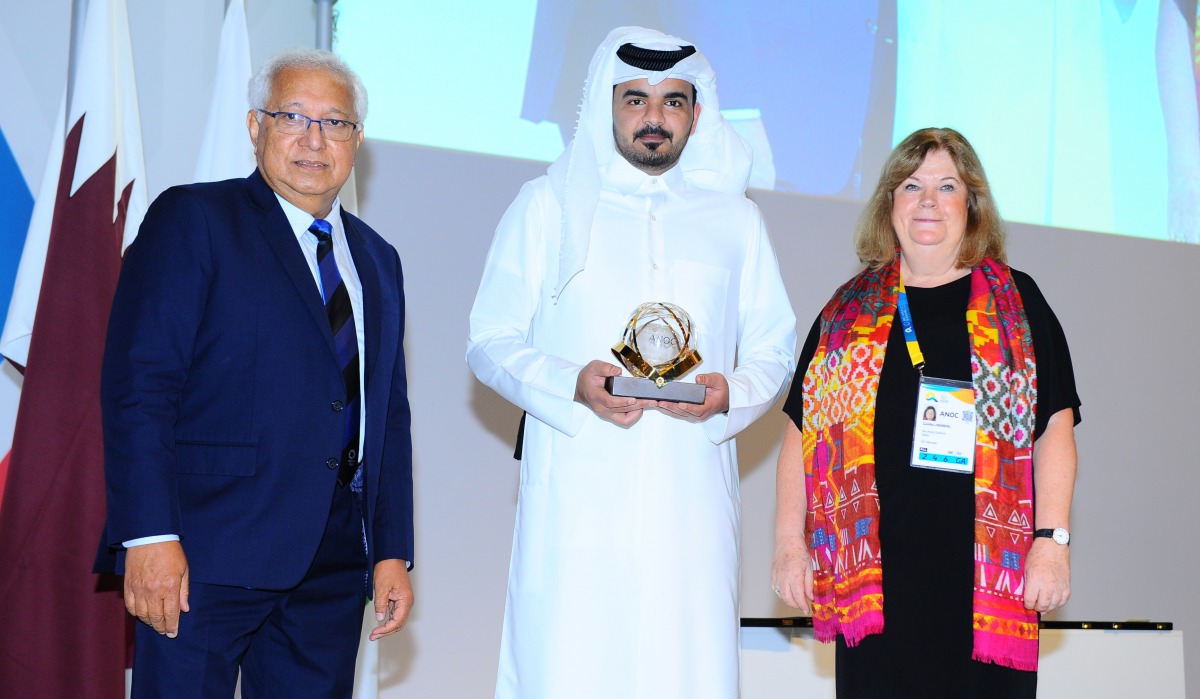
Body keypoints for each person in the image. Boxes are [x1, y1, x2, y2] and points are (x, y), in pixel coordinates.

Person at [467, 26, 796, 699]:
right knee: (571, 665)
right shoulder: (547, 206)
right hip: (579, 493)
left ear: (697, 115)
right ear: (604, 104)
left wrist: (730, 392)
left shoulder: (736, 221)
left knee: (687, 668)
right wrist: (572, 384)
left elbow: (775, 343)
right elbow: (489, 338)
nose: (654, 118)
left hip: (691, 500)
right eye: (636, 99)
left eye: (673, 102)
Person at [95, 48, 414, 698]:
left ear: (357, 139)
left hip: (331, 562)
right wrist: (150, 535)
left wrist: (391, 548)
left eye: (335, 122)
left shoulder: (379, 260)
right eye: (292, 116)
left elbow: (388, 414)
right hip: (203, 555)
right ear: (254, 127)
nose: (313, 139)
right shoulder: (195, 220)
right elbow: (141, 387)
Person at [771, 127, 1080, 697]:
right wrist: (792, 545)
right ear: (890, 203)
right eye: (912, 185)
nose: (929, 201)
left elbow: (1054, 427)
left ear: (972, 205)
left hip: (988, 577)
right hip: (875, 579)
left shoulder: (1019, 303)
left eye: (947, 186)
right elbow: (801, 434)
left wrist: (1052, 543)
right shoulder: (845, 311)